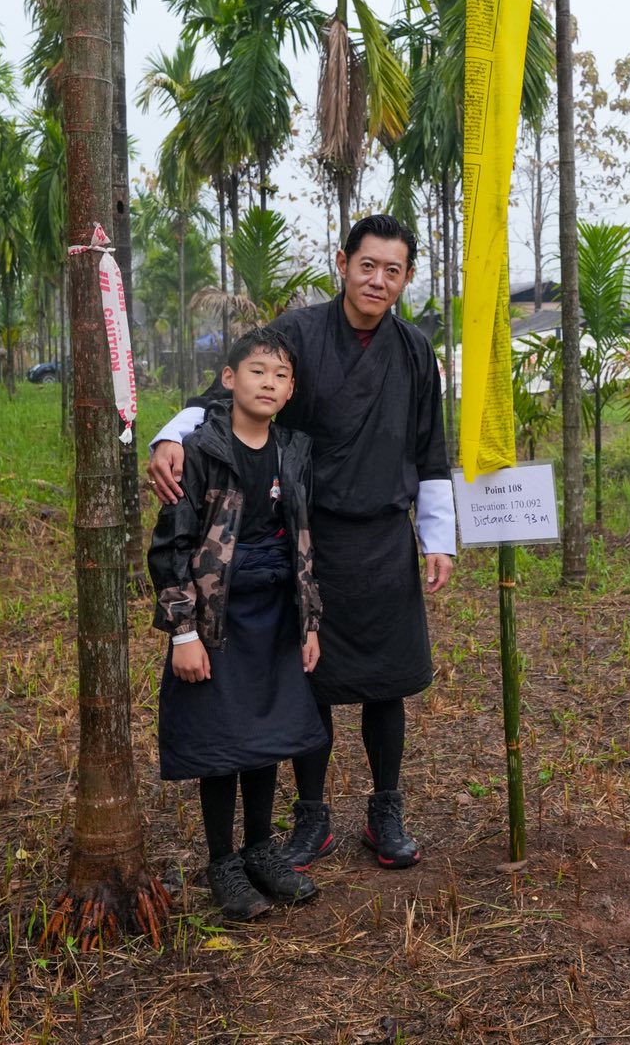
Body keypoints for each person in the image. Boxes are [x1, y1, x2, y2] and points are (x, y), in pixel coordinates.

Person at [150, 213, 454, 872]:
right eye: (367, 265)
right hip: (309, 542)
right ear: (342, 263)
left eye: (393, 271)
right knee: (309, 680)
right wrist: (172, 436)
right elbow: (224, 392)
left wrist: (438, 539)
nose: (378, 280)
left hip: (383, 542)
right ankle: (310, 817)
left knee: (387, 683)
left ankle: (385, 812)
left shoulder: (413, 352)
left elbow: (432, 452)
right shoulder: (296, 335)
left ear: (405, 280)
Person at [148, 327, 327, 921]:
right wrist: (183, 632)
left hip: (275, 616)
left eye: (280, 376)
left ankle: (261, 851)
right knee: (222, 743)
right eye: (257, 371)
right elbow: (171, 545)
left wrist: (309, 622)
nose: (268, 383)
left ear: (291, 388)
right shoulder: (199, 450)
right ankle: (223, 861)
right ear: (228, 380)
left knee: (266, 738)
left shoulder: (293, 450)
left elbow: (303, 541)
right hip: (216, 619)